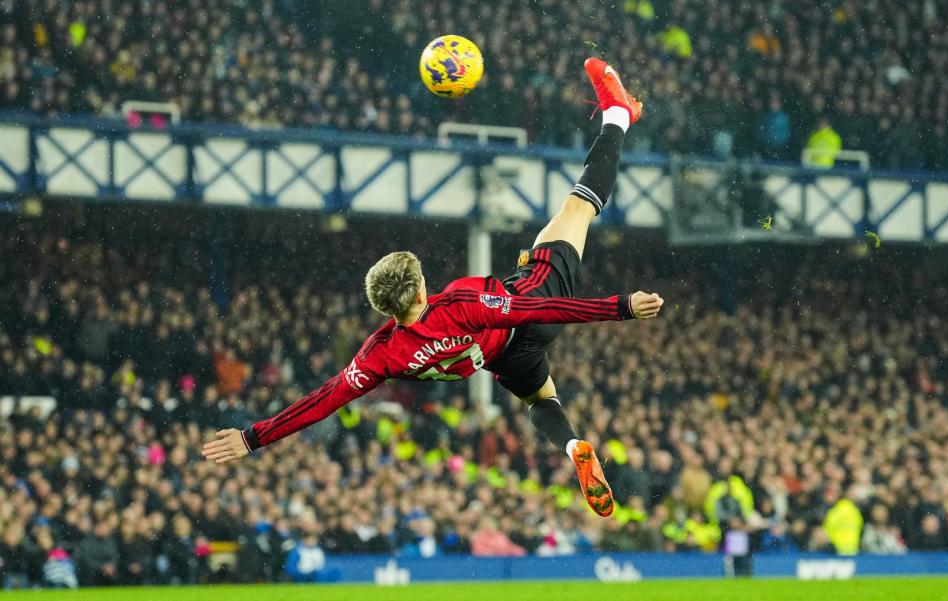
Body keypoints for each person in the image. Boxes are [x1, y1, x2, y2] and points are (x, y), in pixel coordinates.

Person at [202, 57, 662, 518]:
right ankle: (617, 114)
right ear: (421, 290)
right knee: (578, 208)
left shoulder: (381, 354)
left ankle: (572, 445)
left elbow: (321, 401)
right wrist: (621, 306)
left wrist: (252, 437)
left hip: (503, 360)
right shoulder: (459, 302)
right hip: (530, 307)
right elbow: (530, 312)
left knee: (541, 398)